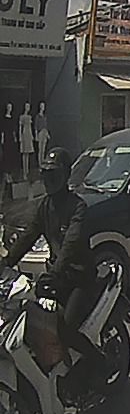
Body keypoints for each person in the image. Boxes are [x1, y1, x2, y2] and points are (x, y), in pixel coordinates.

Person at [0, 148, 105, 393]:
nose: (48, 180)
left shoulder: (78, 206)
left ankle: (98, 362)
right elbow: (29, 236)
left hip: (79, 277)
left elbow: (70, 243)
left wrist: (56, 271)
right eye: (46, 174)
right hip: (57, 277)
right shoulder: (45, 206)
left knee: (65, 329)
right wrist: (6, 262)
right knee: (32, 318)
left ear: (65, 175)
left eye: (54, 174)